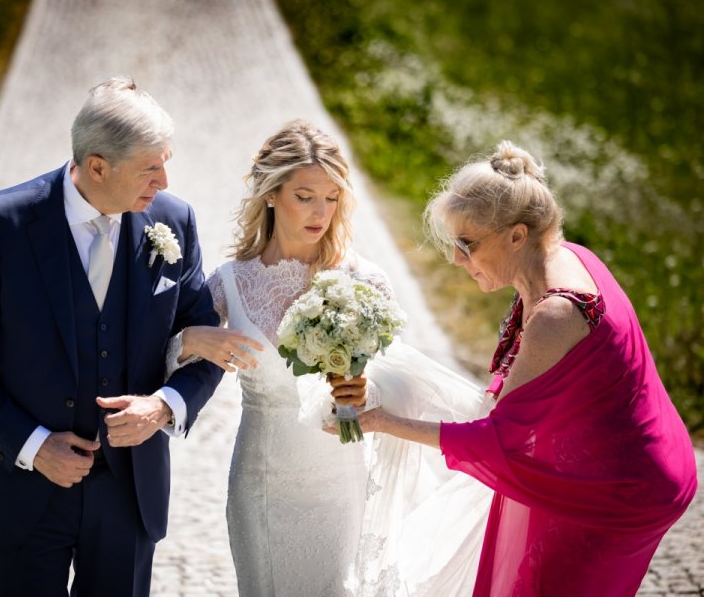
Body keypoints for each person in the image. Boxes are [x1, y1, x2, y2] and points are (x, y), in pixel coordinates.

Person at [359, 140, 698, 596]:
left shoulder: (557, 313)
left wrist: (383, 422)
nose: (457, 259)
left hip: (626, 488)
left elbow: (499, 442)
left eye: (467, 244)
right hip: (612, 461)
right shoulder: (563, 255)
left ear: (517, 235)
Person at [168, 120, 493, 596]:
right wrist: (193, 340)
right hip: (260, 480)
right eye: (305, 196)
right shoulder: (229, 282)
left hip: (339, 482)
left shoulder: (364, 278)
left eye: (332, 197)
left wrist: (367, 391)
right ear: (271, 193)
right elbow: (165, 357)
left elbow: (399, 380)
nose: (320, 211)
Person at [0, 77, 223, 596]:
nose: (164, 180)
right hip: (24, 489)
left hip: (129, 491)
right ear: (97, 166)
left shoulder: (174, 221)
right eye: (150, 167)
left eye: (165, 161)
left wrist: (163, 407)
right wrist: (35, 446)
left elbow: (205, 342)